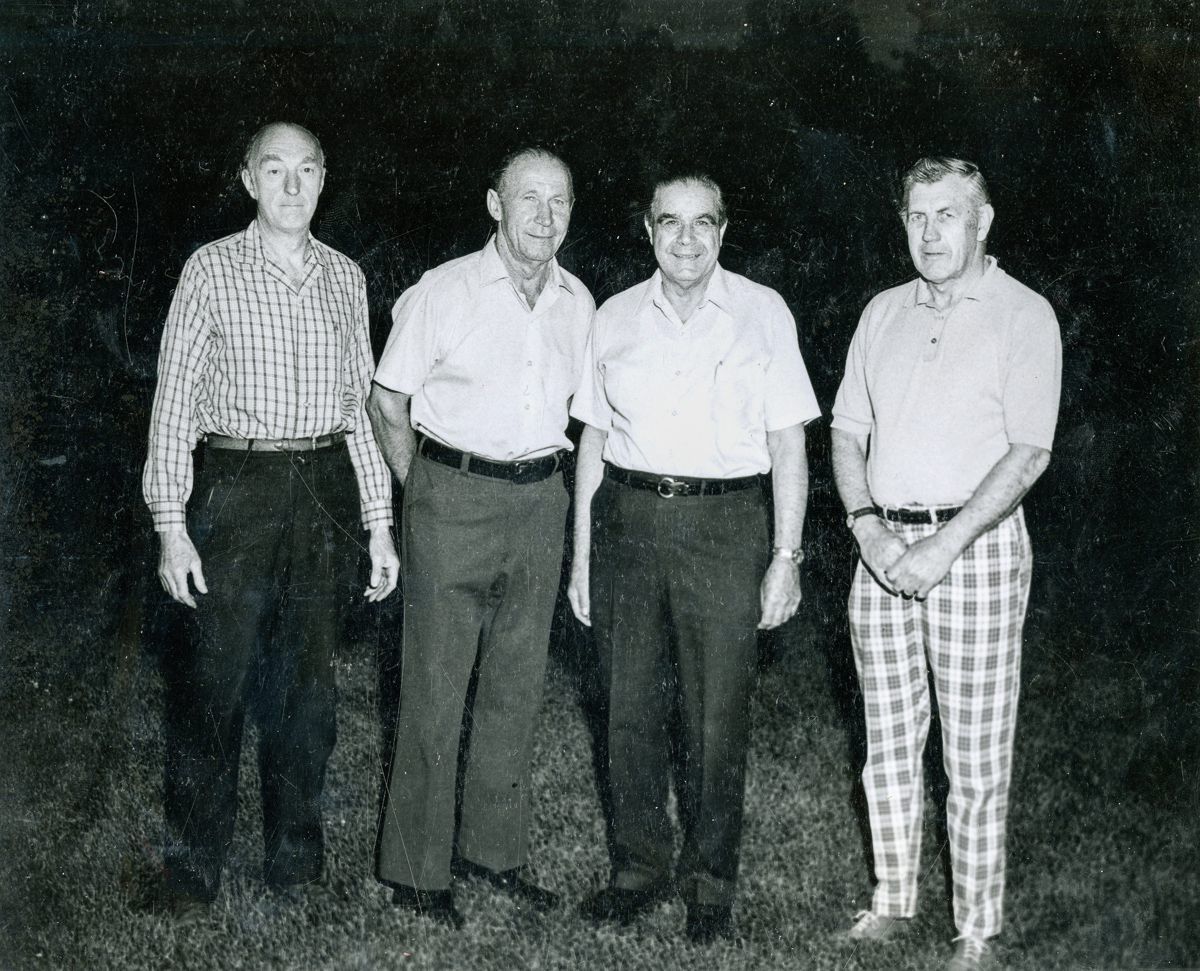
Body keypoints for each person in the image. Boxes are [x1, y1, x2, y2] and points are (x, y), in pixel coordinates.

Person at [142, 122, 399, 917]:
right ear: (248, 179)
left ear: (323, 179)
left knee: (307, 690)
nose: (292, 185)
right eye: (275, 169)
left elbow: (360, 408)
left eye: (307, 170)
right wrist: (172, 524)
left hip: (320, 486)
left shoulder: (346, 277)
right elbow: (174, 403)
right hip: (236, 484)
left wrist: (379, 522)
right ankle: (192, 867)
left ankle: (295, 857)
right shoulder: (211, 268)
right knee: (212, 681)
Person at [567, 174, 821, 943]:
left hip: (726, 523)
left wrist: (786, 555)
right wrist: (582, 556)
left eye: (702, 222)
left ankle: (711, 880)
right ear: (647, 230)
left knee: (717, 711)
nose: (686, 239)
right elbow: (593, 440)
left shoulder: (764, 313)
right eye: (670, 222)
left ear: (723, 230)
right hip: (628, 519)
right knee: (627, 704)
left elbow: (789, 444)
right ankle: (638, 868)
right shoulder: (613, 316)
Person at [830, 157, 1062, 971]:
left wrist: (944, 542)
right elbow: (847, 431)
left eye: (948, 215)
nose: (930, 233)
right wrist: (867, 529)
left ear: (982, 221)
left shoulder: (1023, 314)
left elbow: (1029, 451)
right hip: (883, 550)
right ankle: (893, 899)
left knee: (974, 751)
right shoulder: (881, 312)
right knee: (888, 741)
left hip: (976, 550)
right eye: (917, 216)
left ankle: (976, 928)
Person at [368, 148, 594, 928]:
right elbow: (387, 400)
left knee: (516, 684)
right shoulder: (444, 290)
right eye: (527, 197)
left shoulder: (579, 303)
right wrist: (425, 491)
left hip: (541, 501)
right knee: (434, 686)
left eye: (558, 201)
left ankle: (492, 853)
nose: (543, 215)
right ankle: (416, 869)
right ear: (495, 204)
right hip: (452, 495)